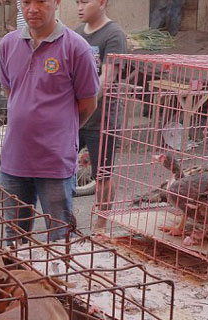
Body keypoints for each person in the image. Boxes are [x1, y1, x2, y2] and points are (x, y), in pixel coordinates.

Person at [0, 0, 99, 243]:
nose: (32, 9)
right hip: (15, 160)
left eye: (41, 1)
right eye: (26, 2)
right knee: (14, 239)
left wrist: (62, 131)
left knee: (59, 239)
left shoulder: (76, 48)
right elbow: (11, 92)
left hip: (54, 162)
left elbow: (87, 104)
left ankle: (58, 282)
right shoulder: (8, 44)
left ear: (56, 2)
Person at [75, 0, 127, 232]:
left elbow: (107, 79)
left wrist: (81, 104)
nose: (79, 7)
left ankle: (101, 225)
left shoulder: (113, 34)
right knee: (61, 167)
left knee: (103, 174)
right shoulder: (76, 34)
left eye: (84, 1)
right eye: (77, 2)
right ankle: (65, 219)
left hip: (101, 119)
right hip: (74, 117)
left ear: (102, 2)